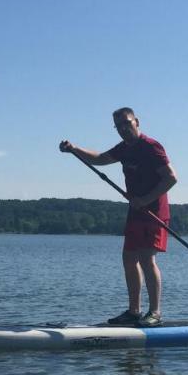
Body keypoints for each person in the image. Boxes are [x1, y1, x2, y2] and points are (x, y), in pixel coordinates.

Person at [60, 107, 178, 326]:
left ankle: (155, 313)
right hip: (135, 211)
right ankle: (134, 311)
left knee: (146, 258)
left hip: (154, 212)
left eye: (127, 123)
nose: (123, 128)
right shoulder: (124, 149)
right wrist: (74, 149)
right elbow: (100, 158)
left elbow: (171, 178)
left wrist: (145, 200)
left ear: (137, 121)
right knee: (128, 258)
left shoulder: (151, 147)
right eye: (119, 126)